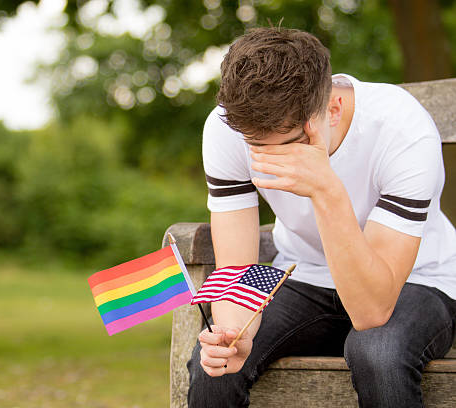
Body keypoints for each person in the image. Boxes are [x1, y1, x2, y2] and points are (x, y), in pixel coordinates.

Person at [187, 27, 456, 407]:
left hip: (416, 280)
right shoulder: (227, 127)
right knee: (214, 367)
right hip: (303, 273)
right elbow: (236, 266)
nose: (269, 159)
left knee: (377, 352)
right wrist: (235, 332)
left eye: (285, 147)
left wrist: (326, 190)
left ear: (333, 109)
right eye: (255, 147)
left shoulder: (403, 131)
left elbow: (371, 309)